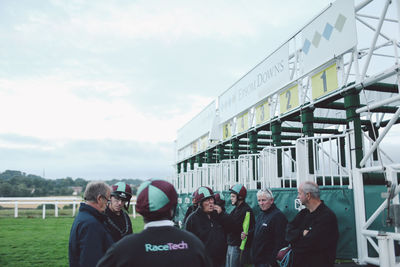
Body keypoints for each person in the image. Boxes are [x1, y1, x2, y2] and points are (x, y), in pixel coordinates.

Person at [97, 179, 211, 267]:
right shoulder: (194, 244)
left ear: (140, 210)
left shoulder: (123, 249)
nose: (119, 203)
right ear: (173, 208)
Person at [285, 181, 339, 267]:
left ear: (308, 195)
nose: (297, 196)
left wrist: (294, 241)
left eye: (299, 193)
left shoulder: (327, 217)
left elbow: (310, 245)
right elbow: (288, 232)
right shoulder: (303, 213)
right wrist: (301, 233)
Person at [69, 181, 114, 267]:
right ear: (100, 198)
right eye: (107, 201)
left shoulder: (83, 217)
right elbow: (91, 261)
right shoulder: (91, 224)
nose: (108, 205)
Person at [185, 186, 227, 267]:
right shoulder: (191, 220)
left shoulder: (218, 215)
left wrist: (223, 215)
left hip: (219, 261)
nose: (211, 202)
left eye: (212, 199)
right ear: (200, 203)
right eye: (207, 200)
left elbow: (232, 228)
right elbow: (188, 244)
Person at [215, 184, 255, 267]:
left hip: (238, 246)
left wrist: (221, 213)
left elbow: (233, 227)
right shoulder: (237, 209)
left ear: (240, 197)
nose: (231, 198)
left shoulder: (245, 210)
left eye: (233, 196)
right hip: (232, 244)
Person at [251, 188, 287, 267]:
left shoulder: (278, 216)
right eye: (259, 200)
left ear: (271, 200)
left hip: (267, 263)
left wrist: (271, 262)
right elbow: (258, 234)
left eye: (263, 200)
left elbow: (280, 242)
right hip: (257, 261)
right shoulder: (261, 215)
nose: (261, 203)